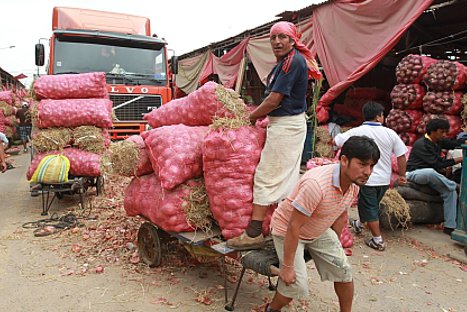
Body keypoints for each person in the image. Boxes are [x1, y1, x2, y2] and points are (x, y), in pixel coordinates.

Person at [226, 21, 322, 250]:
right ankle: (285, 226)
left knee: (266, 176)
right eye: (273, 38)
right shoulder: (285, 62)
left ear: (292, 40)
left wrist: (249, 119)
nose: (277, 42)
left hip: (287, 127)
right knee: (286, 179)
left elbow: (273, 100)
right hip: (285, 124)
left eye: (282, 37)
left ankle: (254, 233)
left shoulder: (292, 61)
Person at [264, 136, 380, 312]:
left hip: (318, 229)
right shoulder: (316, 185)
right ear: (344, 160)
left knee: (344, 272)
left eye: (371, 166)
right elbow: (293, 226)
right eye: (362, 164)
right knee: (295, 285)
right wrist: (287, 268)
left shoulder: (354, 183)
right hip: (287, 230)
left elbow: (340, 213)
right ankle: (272, 308)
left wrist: (336, 244)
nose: (368, 171)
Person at [333, 101, 408, 251]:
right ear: (379, 116)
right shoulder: (390, 133)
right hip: (384, 179)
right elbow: (401, 155)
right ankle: (359, 224)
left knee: (370, 207)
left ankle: (377, 240)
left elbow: (336, 141)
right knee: (370, 205)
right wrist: (401, 175)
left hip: (366, 179)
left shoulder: (357, 131)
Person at [406, 118, 462, 235]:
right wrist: (461, 159)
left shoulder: (438, 141)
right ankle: (453, 185)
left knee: (450, 192)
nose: (444, 135)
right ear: (433, 131)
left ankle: (450, 226)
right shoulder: (421, 144)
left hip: (434, 177)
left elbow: (453, 143)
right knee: (430, 172)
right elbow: (438, 164)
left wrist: (463, 142)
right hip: (415, 174)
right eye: (442, 132)